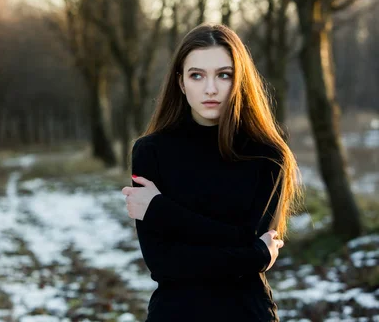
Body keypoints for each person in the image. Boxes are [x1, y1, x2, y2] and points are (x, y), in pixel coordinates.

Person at [121, 24, 302, 321]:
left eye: (224, 75)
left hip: (247, 314)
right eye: (197, 75)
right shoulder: (151, 152)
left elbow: (252, 243)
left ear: (239, 79)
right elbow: (163, 263)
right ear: (181, 82)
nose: (210, 89)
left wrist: (162, 210)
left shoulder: (269, 155)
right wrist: (252, 253)